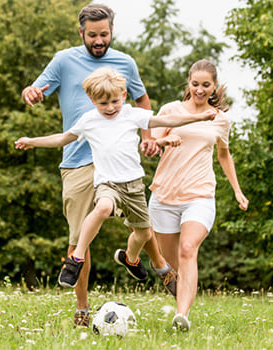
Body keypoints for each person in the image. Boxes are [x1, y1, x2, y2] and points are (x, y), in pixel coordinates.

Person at [20, 4, 176, 327]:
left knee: (141, 222)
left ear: (111, 31)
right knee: (79, 237)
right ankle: (82, 308)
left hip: (118, 158)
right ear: (81, 33)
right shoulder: (64, 60)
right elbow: (36, 89)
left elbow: (142, 101)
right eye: (92, 35)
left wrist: (148, 137)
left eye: (104, 34)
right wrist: (32, 93)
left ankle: (160, 265)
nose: (99, 40)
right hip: (78, 161)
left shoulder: (125, 63)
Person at [15, 67, 215, 291]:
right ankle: (76, 258)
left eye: (113, 101)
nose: (109, 108)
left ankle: (130, 257)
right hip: (107, 184)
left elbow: (166, 120)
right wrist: (33, 141)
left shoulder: (131, 114)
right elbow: (63, 138)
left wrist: (198, 116)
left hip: (134, 186)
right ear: (92, 100)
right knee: (101, 208)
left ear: (123, 96)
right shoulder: (89, 120)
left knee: (144, 233)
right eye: (103, 103)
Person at [147, 59, 249, 331]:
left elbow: (224, 155)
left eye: (206, 85)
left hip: (200, 195)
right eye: (195, 84)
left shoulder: (220, 119)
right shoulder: (171, 110)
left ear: (214, 86)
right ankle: (178, 291)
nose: (200, 90)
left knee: (188, 249)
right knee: (171, 266)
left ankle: (182, 315)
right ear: (188, 83)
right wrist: (163, 141)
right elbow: (150, 142)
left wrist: (237, 190)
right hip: (165, 195)